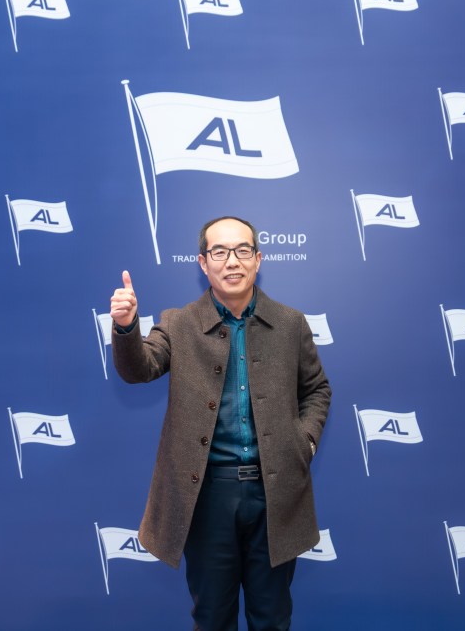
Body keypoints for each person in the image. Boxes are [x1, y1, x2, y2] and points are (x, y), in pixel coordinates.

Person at [109, 216, 331, 630]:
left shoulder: (290, 324)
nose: (232, 261)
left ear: (258, 259)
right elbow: (139, 369)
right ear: (203, 262)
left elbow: (317, 389)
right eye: (220, 252)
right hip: (207, 496)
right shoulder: (178, 323)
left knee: (272, 618)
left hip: (276, 493)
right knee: (212, 618)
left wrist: (305, 443)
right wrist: (126, 328)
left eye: (243, 250)